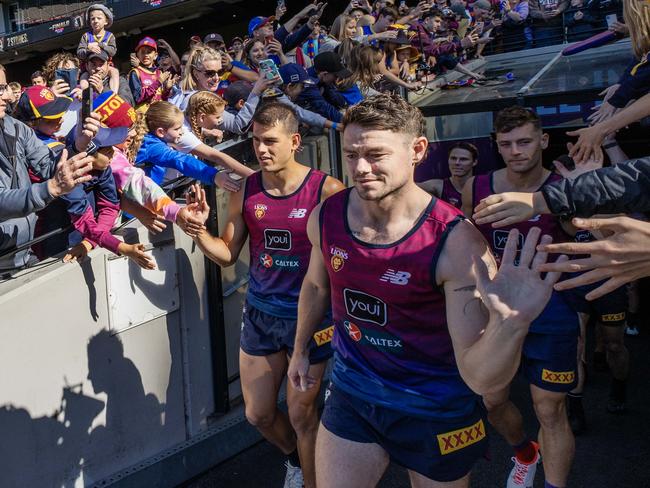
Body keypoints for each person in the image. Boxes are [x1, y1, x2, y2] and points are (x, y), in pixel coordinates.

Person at [286, 94, 562, 488]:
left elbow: (482, 380)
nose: (361, 168)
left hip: (435, 410)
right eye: (351, 155)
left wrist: (511, 324)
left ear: (417, 150)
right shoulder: (327, 215)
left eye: (376, 154)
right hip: (354, 394)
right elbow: (316, 284)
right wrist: (300, 350)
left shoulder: (457, 244)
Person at [183, 102, 344, 488]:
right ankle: (296, 461)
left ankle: (312, 480)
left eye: (270, 141)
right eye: (255, 141)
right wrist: (199, 231)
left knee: (303, 415)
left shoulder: (328, 190)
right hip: (260, 315)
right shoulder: (247, 189)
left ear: (295, 141)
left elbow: (342, 263)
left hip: (311, 318)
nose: (261, 150)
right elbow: (226, 255)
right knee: (257, 414)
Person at [462, 106, 579, 488]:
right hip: (496, 310)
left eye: (525, 141)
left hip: (551, 308)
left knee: (550, 409)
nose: (516, 151)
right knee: (492, 401)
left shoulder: (564, 186)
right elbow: (467, 244)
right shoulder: (477, 187)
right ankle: (525, 452)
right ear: (497, 145)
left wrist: (575, 202)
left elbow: (581, 236)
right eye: (507, 143)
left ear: (543, 141)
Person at [0, 64, 100, 270]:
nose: (8, 97)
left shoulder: (16, 127)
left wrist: (78, 145)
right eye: (0, 89)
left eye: (4, 87)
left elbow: (49, 165)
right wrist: (51, 188)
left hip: (23, 253)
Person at [128, 101, 239, 191]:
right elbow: (180, 160)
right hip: (136, 205)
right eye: (177, 129)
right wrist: (214, 176)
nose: (181, 132)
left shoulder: (148, 139)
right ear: (161, 132)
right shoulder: (152, 146)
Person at [418, 142, 479, 208]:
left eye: (463, 159)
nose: (457, 163)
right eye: (453, 158)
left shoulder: (483, 185)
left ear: (474, 162)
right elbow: (410, 188)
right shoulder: (439, 186)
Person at [77, 3, 120, 96]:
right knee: (84, 77)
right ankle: (86, 96)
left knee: (114, 72)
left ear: (106, 21)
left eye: (99, 18)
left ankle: (113, 95)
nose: (95, 21)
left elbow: (113, 51)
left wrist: (100, 45)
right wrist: (88, 49)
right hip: (89, 67)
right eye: (92, 18)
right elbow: (79, 53)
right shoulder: (86, 36)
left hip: (105, 66)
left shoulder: (110, 36)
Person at [128, 37, 176, 111]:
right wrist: (158, 82)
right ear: (138, 55)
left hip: (158, 114)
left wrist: (167, 90)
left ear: (155, 56)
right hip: (143, 118)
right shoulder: (135, 72)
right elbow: (138, 98)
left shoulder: (159, 73)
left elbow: (163, 99)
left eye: (149, 52)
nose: (146, 55)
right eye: (143, 52)